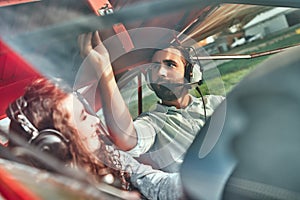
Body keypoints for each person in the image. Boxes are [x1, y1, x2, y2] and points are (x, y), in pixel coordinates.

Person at [6, 78, 184, 200]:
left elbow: (152, 181)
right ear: (54, 146)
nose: (95, 120)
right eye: (83, 117)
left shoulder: (106, 155)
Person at [78, 31, 225, 172]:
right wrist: (104, 68)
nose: (160, 72)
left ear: (190, 74)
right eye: (155, 67)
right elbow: (127, 138)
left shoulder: (217, 104)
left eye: (170, 64)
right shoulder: (153, 122)